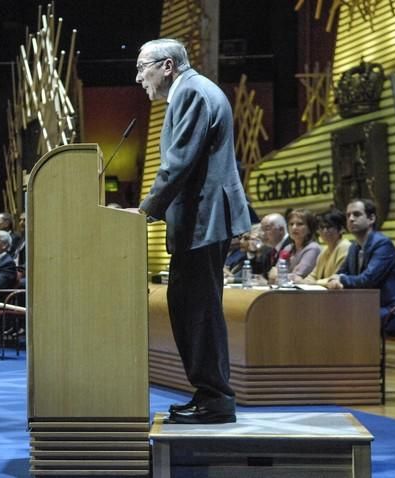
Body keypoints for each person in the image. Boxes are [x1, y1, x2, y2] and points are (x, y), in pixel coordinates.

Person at [135, 38, 250, 424]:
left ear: (166, 66)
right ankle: (209, 394)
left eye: (142, 68)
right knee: (189, 306)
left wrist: (145, 211)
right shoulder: (194, 91)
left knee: (197, 310)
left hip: (205, 218)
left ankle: (215, 399)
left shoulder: (192, 93)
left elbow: (177, 163)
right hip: (200, 220)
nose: (139, 78)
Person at [327, 199, 395, 336]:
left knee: (345, 319)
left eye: (356, 214)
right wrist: (335, 280)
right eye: (348, 215)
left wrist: (341, 280)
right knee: (330, 314)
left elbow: (368, 280)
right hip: (373, 309)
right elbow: (339, 274)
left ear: (371, 219)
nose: (351, 219)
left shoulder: (383, 244)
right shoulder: (354, 248)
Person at [296, 209, 351, 285]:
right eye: (321, 227)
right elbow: (313, 275)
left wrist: (314, 283)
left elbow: (337, 278)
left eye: (329, 227)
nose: (325, 231)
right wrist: (302, 281)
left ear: (341, 229)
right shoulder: (325, 250)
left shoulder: (345, 247)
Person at [269, 209, 321, 283]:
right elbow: (273, 274)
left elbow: (298, 277)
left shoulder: (313, 248)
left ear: (309, 228)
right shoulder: (288, 248)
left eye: (299, 224)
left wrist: (278, 275)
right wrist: (278, 275)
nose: (294, 227)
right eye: (291, 224)